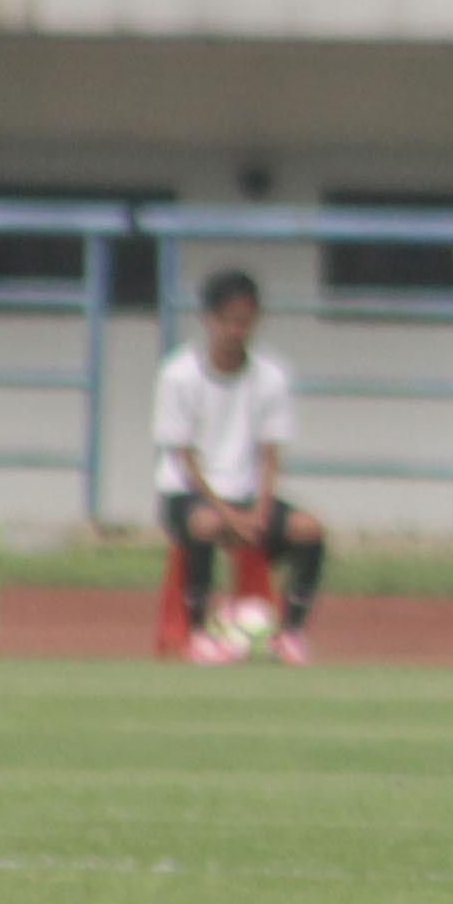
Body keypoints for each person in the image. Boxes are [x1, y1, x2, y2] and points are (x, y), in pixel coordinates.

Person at [156, 269, 328, 664]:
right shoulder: (178, 375)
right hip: (192, 495)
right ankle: (198, 633)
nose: (237, 330)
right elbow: (184, 460)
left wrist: (260, 511)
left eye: (245, 320)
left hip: (249, 496)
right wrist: (228, 515)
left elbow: (270, 453)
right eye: (228, 320)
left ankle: (289, 633)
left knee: (308, 529)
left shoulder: (272, 375)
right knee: (203, 525)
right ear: (210, 320)